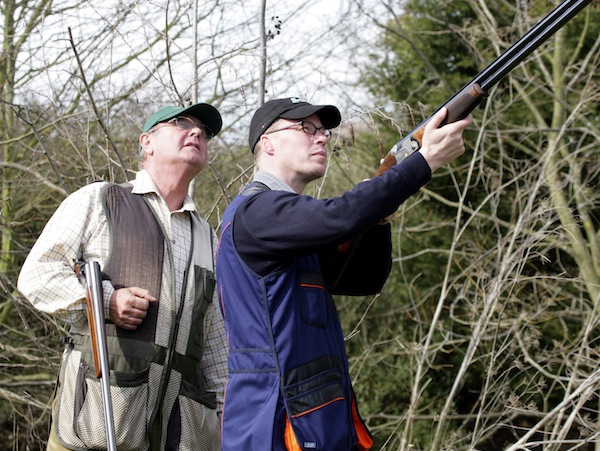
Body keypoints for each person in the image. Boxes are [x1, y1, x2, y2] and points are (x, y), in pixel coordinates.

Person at [216, 97, 472, 450]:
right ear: (268, 143)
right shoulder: (257, 211)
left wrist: (378, 218)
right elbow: (339, 216)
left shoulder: (287, 226)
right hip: (275, 424)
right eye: (306, 128)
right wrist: (422, 163)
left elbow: (364, 280)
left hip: (313, 420)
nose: (321, 137)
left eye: (322, 130)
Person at [18, 102, 228, 450]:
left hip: (178, 438)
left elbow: (216, 344)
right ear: (147, 142)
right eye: (181, 123)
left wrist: (224, 422)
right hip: (94, 431)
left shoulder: (210, 239)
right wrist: (105, 300)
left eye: (203, 132)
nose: (196, 133)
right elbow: (37, 275)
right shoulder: (99, 200)